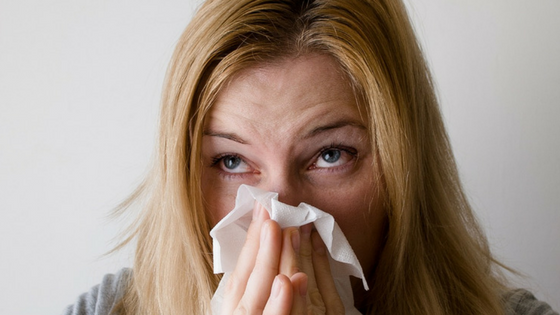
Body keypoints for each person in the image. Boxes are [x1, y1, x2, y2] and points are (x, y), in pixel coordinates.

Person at [63, 0, 558, 314]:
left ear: (402, 167)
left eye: (330, 154)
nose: (277, 216)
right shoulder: (108, 310)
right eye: (232, 162)